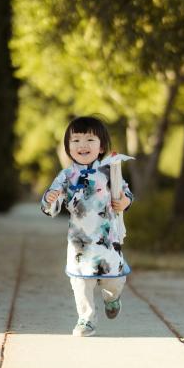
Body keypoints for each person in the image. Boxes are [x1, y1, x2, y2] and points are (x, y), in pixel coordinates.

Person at [41, 116, 134, 337]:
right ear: (68, 147)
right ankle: (86, 318)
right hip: (79, 240)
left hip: (107, 239)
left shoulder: (108, 171)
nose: (83, 145)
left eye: (90, 139)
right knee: (81, 282)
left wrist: (125, 201)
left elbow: (125, 191)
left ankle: (112, 298)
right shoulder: (67, 176)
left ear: (101, 146)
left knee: (115, 279)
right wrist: (51, 198)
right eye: (76, 140)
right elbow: (50, 204)